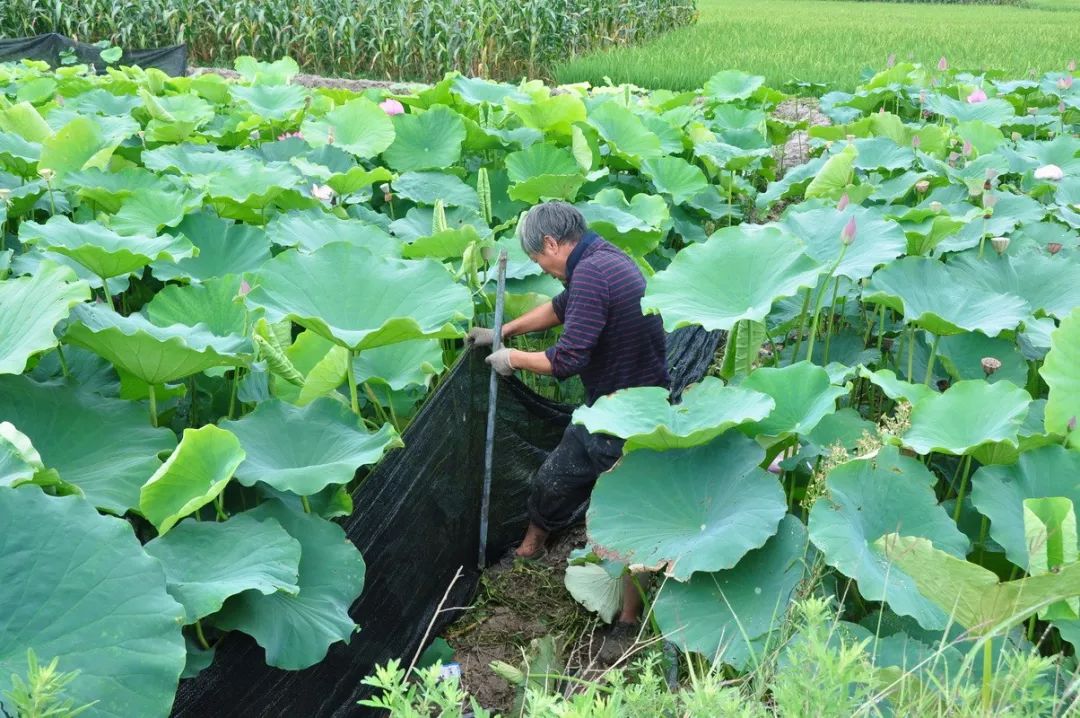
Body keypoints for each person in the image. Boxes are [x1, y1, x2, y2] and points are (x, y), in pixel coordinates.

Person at [468, 201, 668, 653]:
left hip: (631, 418)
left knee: (629, 520)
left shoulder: (596, 272)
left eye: (539, 258)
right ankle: (530, 550)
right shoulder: (597, 258)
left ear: (553, 244)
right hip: (608, 409)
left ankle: (628, 623)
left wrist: (511, 360)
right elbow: (561, 308)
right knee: (553, 480)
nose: (542, 267)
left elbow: (567, 360)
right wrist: (505, 332)